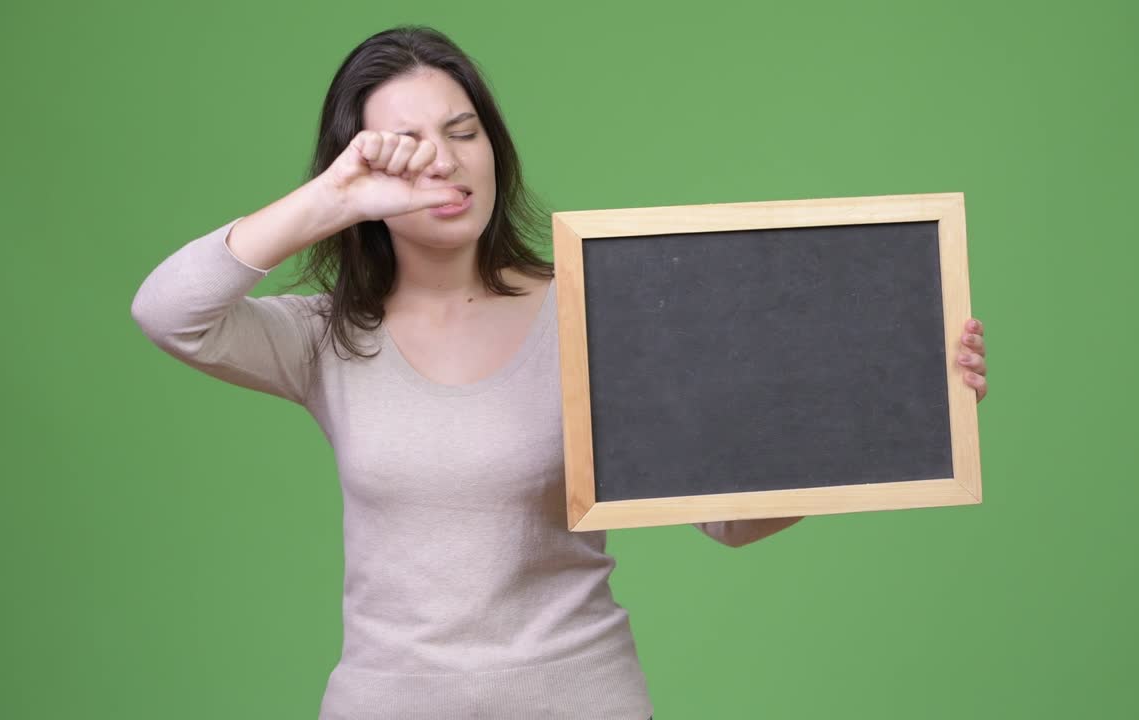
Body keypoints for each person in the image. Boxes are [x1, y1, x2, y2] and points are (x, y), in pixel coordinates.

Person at [130, 25, 990, 720]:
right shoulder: (326, 337)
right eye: (406, 146)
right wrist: (330, 199)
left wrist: (896, 395)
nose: (444, 161)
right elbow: (168, 313)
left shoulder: (589, 310)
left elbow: (729, 519)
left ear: (493, 147)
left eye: (463, 133)